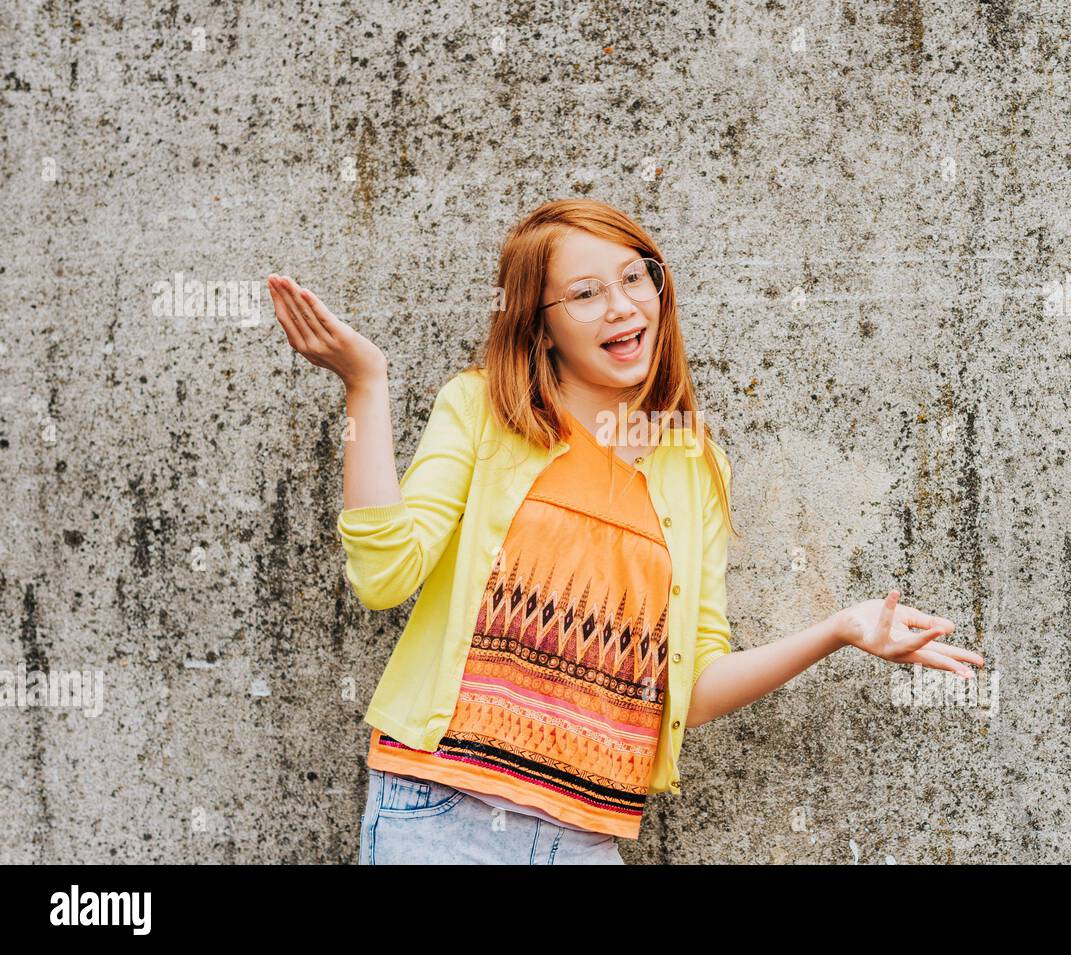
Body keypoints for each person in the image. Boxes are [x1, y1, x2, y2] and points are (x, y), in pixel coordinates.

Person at [267, 198, 984, 865]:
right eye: (583, 294)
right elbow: (383, 573)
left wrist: (839, 629)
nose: (622, 307)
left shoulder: (695, 466)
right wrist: (366, 385)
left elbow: (693, 689)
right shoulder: (482, 410)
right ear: (539, 324)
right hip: (441, 815)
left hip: (587, 838)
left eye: (634, 278)